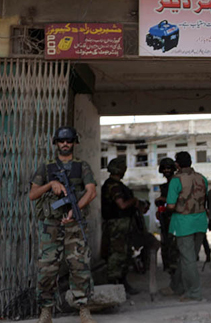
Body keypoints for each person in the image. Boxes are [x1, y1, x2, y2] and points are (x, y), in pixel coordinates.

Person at [29, 126, 97, 323]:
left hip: (74, 226)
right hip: (50, 226)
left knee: (80, 266)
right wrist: (51, 185)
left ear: (74, 142)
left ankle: (84, 309)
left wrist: (74, 210)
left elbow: (91, 192)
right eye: (61, 141)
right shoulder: (46, 167)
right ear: (56, 143)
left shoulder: (81, 166)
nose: (65, 144)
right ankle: (46, 311)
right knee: (47, 269)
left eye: (68, 141)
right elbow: (33, 194)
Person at [166, 151, 208, 301]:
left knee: (188, 259)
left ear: (177, 164)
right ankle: (177, 287)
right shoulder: (202, 178)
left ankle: (194, 292)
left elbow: (170, 205)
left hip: (183, 223)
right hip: (201, 221)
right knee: (188, 258)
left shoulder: (176, 180)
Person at [101, 156, 141, 296]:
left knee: (124, 254)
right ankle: (113, 286)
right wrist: (134, 201)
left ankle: (122, 283)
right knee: (117, 254)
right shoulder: (114, 185)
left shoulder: (114, 184)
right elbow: (122, 204)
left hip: (122, 223)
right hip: (117, 224)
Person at [155, 157, 181, 295]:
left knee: (174, 253)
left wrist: (163, 200)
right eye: (164, 168)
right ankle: (174, 282)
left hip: (176, 221)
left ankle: (177, 284)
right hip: (167, 221)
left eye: (169, 168)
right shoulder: (166, 185)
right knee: (167, 251)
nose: (166, 171)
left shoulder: (176, 182)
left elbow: (178, 201)